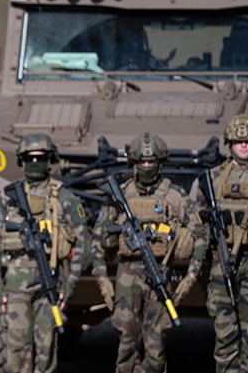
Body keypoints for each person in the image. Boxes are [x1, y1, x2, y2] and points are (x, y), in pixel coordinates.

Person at [91, 133, 206, 373]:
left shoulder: (174, 196)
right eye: (142, 162)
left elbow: (200, 235)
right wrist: (102, 279)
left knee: (155, 350)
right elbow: (98, 240)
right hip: (126, 277)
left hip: (159, 274)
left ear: (160, 162)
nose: (146, 166)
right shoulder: (118, 195)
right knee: (126, 344)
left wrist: (191, 277)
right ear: (133, 162)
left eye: (151, 161)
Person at [0, 133, 88, 373]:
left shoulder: (64, 198)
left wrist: (68, 288)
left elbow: (83, 244)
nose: (34, 163)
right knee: (17, 351)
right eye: (28, 158)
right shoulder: (7, 198)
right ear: (21, 161)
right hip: (15, 286)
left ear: (49, 159)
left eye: (40, 157)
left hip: (49, 286)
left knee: (46, 349)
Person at [193, 114, 248, 373]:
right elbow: (196, 221)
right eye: (238, 141)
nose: (243, 146)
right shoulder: (211, 179)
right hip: (222, 264)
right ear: (229, 143)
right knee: (224, 335)